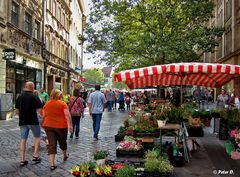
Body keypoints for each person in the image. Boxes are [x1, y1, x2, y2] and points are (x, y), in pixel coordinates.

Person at [42, 89, 73, 170]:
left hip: (48, 126)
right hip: (61, 126)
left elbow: (44, 115)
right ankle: (65, 155)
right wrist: (70, 125)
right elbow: (67, 115)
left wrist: (43, 123)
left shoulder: (47, 103)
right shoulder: (62, 103)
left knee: (51, 144)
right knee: (62, 142)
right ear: (59, 95)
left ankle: (52, 164)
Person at [15, 82, 43, 167]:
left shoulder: (20, 96)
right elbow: (40, 110)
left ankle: (22, 160)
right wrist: (44, 118)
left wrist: (21, 116)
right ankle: (35, 155)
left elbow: (17, 110)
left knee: (23, 139)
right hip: (33, 121)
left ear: (25, 87)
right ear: (32, 87)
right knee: (37, 137)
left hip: (23, 121)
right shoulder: (35, 96)